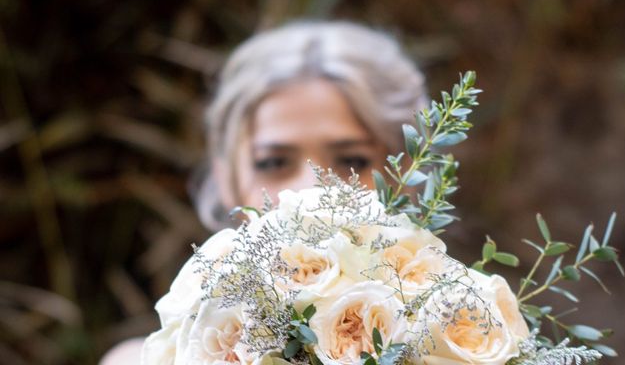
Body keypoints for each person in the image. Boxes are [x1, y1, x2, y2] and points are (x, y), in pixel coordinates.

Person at [99, 20, 429, 365]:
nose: (310, 188)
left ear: (403, 175)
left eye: (352, 160)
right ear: (226, 178)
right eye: (273, 162)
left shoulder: (469, 337)